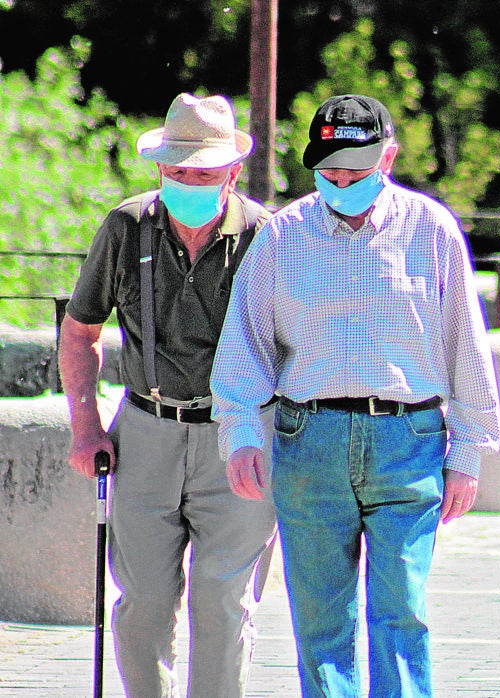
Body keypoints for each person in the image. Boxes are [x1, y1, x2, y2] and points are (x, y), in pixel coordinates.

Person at [211, 94, 500, 697]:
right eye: (328, 174)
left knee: (401, 609)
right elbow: (244, 340)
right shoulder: (282, 236)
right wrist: (239, 432)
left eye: (355, 173)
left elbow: (465, 346)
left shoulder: (432, 230)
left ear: (389, 157)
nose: (340, 184)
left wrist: (468, 452)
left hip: (409, 439)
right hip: (309, 438)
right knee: (321, 618)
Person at [58, 93, 276, 697]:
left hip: (238, 436)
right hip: (146, 430)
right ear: (160, 168)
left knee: (224, 602)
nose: (188, 182)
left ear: (232, 171)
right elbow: (80, 332)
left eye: (203, 173)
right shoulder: (126, 226)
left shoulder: (266, 235)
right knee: (145, 602)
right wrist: (85, 426)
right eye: (177, 172)